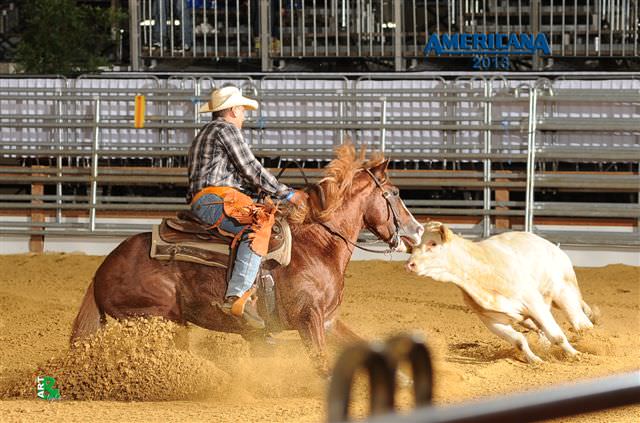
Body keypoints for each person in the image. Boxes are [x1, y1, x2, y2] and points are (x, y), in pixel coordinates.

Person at [187, 86, 307, 329]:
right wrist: (289, 194)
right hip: (214, 200)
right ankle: (237, 295)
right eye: (242, 110)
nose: (244, 116)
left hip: (214, 197)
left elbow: (240, 175)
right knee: (259, 226)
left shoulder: (208, 131)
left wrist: (262, 192)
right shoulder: (225, 130)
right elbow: (251, 169)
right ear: (232, 110)